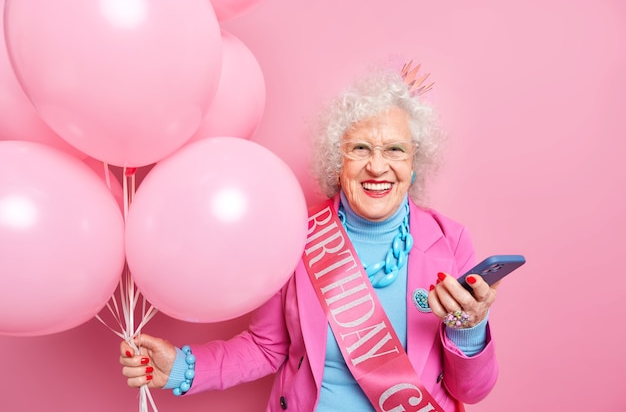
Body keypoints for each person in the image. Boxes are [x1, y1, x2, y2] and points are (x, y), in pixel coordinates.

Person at [120, 62, 499, 412]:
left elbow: (471, 391)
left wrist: (470, 329)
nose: (377, 166)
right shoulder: (298, 236)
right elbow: (266, 348)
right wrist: (184, 368)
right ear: (339, 162)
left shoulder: (450, 241)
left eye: (395, 149)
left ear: (415, 164)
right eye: (360, 148)